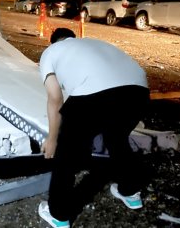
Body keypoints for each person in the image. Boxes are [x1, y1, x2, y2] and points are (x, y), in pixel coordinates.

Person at [38, 28, 151, 228]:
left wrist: (53, 139)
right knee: (116, 139)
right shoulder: (94, 43)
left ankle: (59, 214)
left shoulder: (51, 52)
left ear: (53, 42)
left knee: (66, 155)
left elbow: (55, 99)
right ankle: (130, 191)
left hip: (93, 95)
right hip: (138, 93)